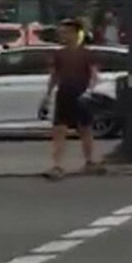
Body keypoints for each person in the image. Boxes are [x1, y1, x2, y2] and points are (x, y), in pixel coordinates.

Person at [41, 20, 102, 180]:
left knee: (85, 129)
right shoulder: (58, 54)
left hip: (81, 94)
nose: (63, 36)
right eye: (61, 33)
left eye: (66, 33)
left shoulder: (87, 54)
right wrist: (47, 95)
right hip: (64, 94)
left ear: (76, 34)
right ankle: (57, 165)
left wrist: (90, 91)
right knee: (59, 130)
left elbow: (94, 75)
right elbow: (54, 76)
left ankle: (89, 161)